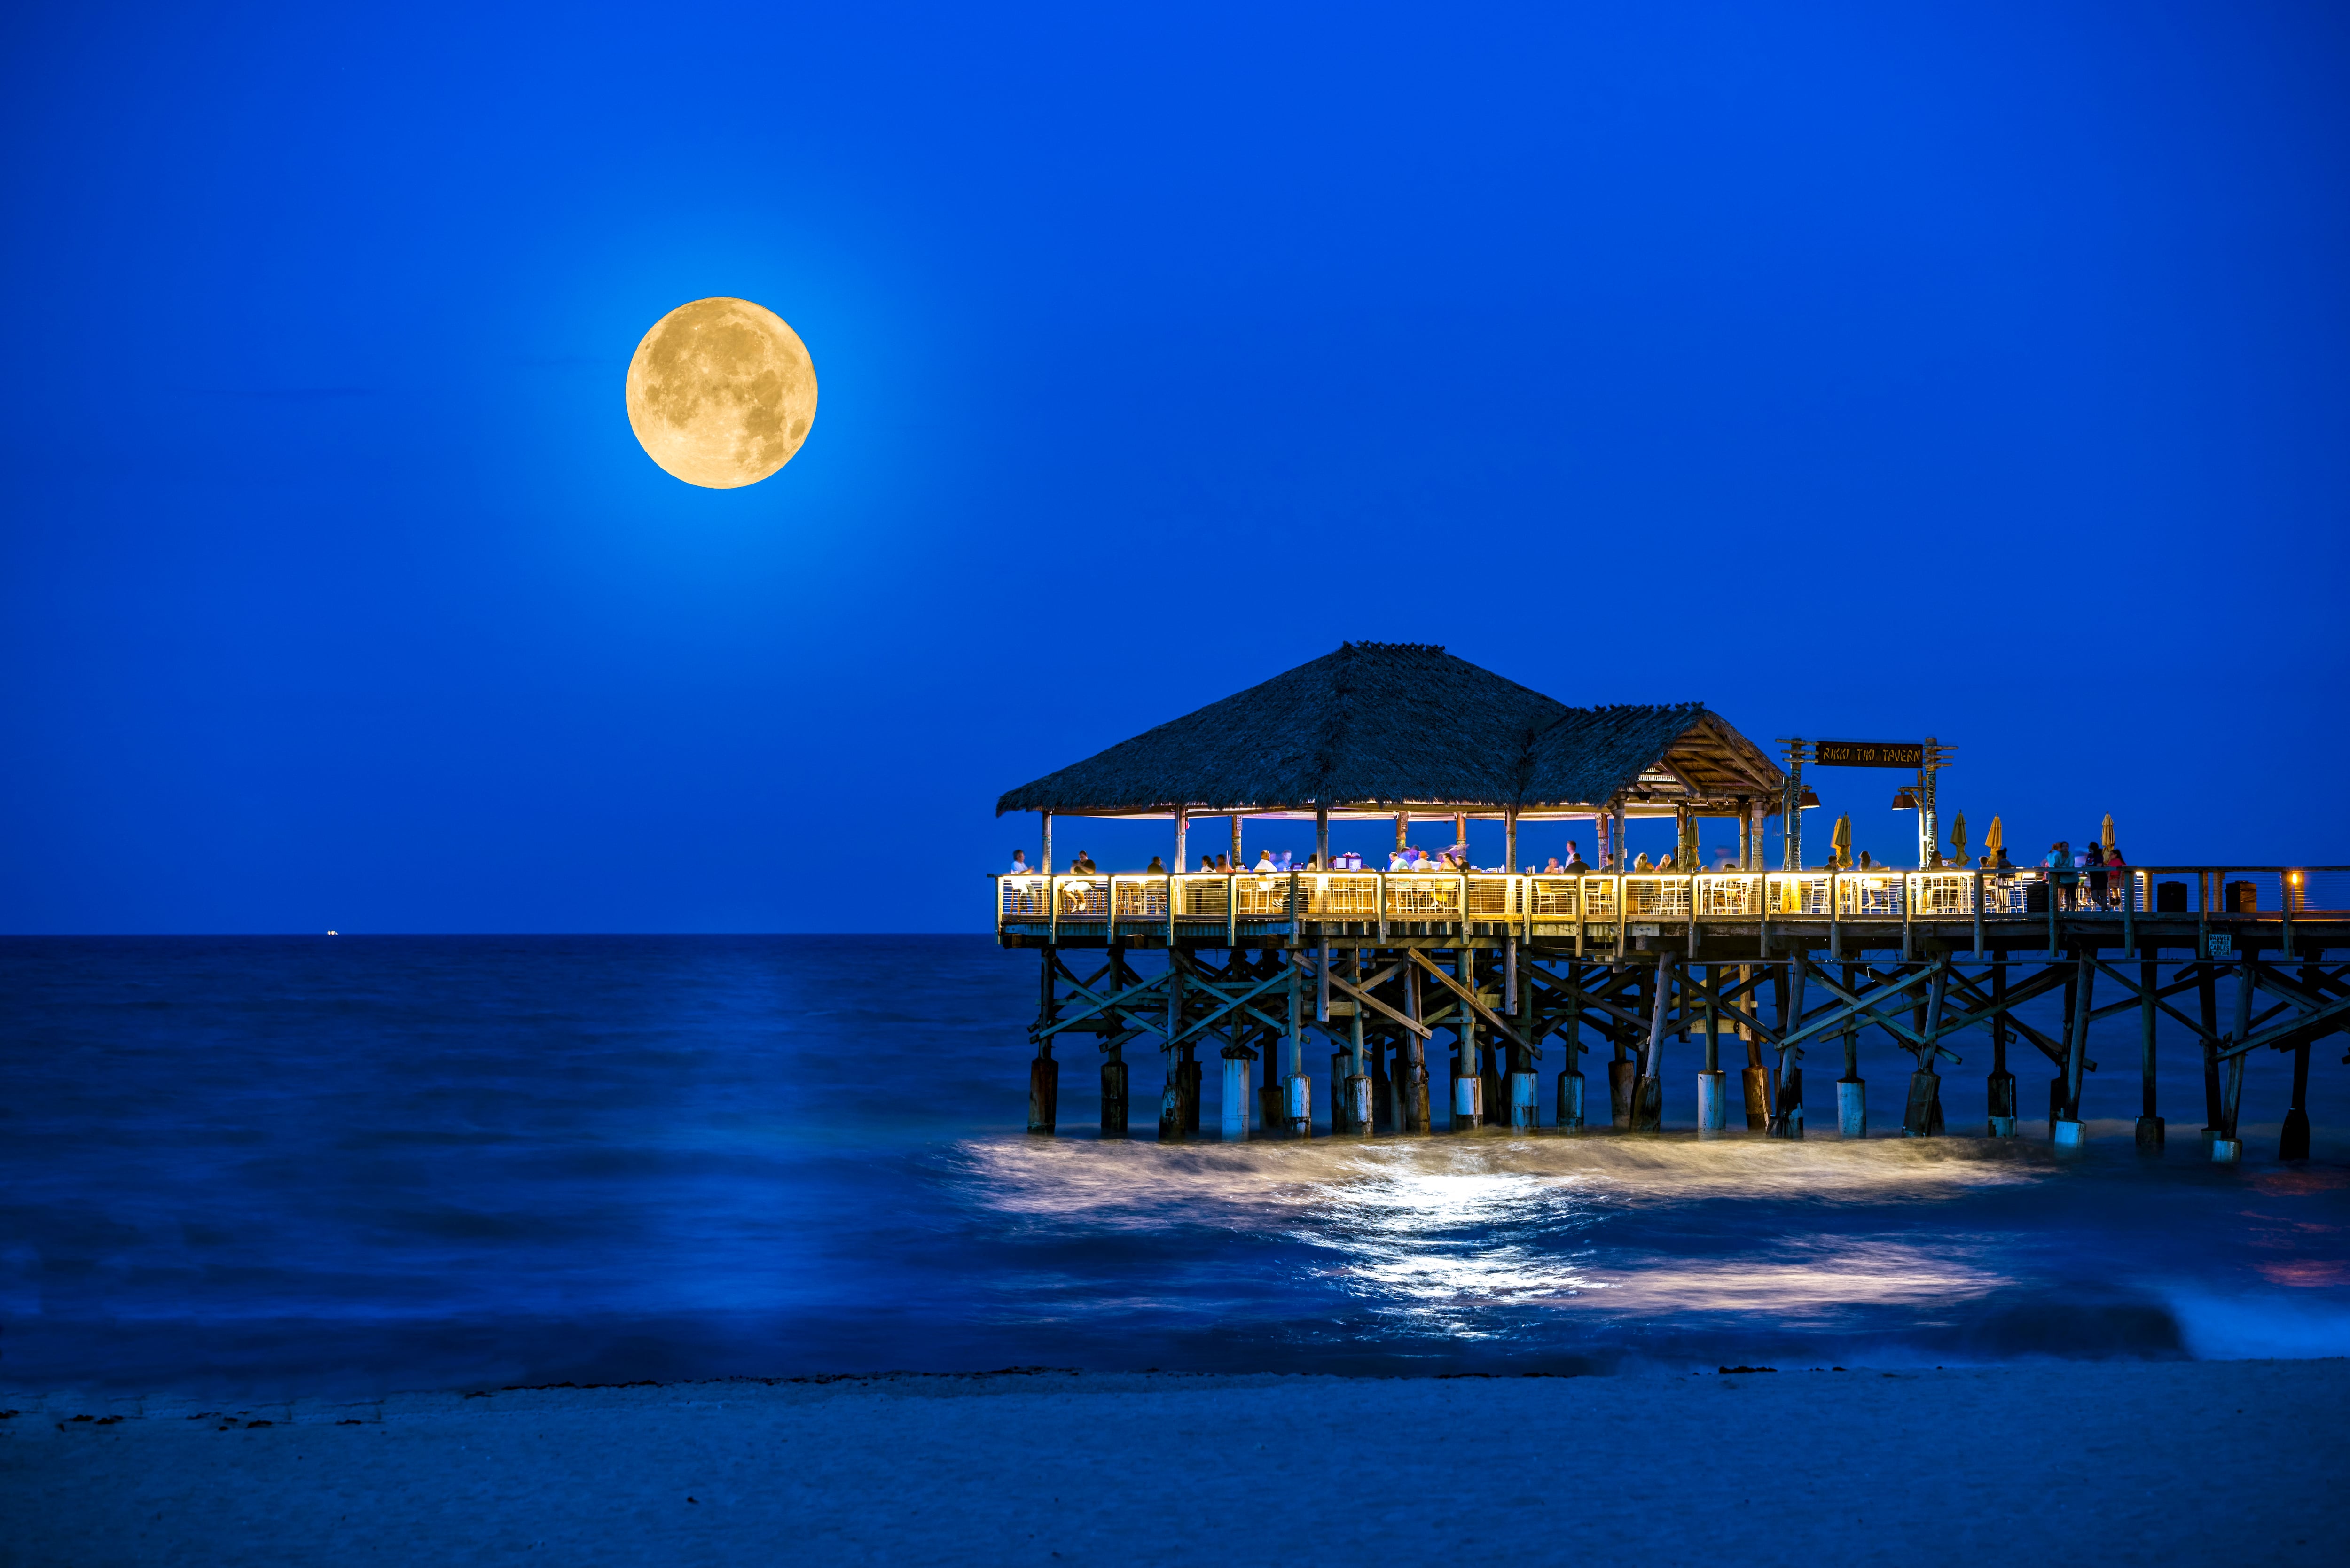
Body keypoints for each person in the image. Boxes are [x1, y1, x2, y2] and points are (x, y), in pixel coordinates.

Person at [2045, 841, 2076, 911]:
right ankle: (2058, 912)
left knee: (2055, 897)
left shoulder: (2050, 854)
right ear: (2060, 848)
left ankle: (2054, 911)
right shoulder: (2059, 855)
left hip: (2052, 876)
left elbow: (2043, 863)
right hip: (2059, 876)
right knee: (2059, 897)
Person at [2084, 836, 2109, 910]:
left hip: (2101, 878)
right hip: (2093, 878)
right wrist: (2084, 867)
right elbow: (2087, 864)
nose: (2088, 847)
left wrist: (2087, 867)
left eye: (2089, 846)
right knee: (2094, 897)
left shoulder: (2099, 856)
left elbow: (2098, 867)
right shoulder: (2089, 855)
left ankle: (2104, 912)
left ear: (2092, 848)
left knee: (2103, 895)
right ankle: (2107, 907)